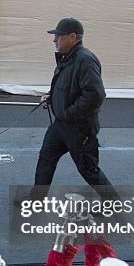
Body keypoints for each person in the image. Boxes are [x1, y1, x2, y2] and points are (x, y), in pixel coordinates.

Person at [28, 17, 119, 203]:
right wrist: (51, 97)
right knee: (46, 158)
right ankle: (37, 199)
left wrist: (68, 114)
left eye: (58, 36)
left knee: (88, 169)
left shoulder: (85, 60)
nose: (54, 40)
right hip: (61, 126)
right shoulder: (67, 58)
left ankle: (113, 203)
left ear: (72, 36)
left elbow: (95, 96)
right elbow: (65, 86)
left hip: (79, 128)